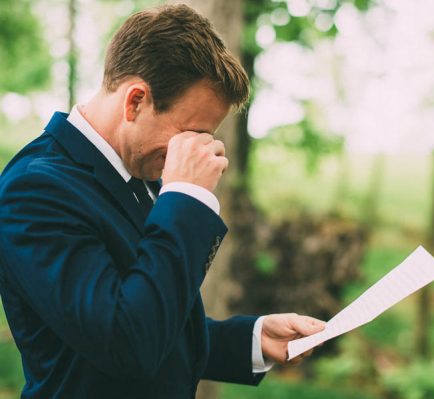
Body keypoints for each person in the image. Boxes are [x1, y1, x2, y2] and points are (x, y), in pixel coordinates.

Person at [0, 4, 325, 398]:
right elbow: (126, 342)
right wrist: (186, 198)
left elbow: (154, 313)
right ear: (135, 101)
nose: (204, 150)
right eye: (191, 132)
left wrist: (252, 339)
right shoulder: (36, 191)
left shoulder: (141, 169)